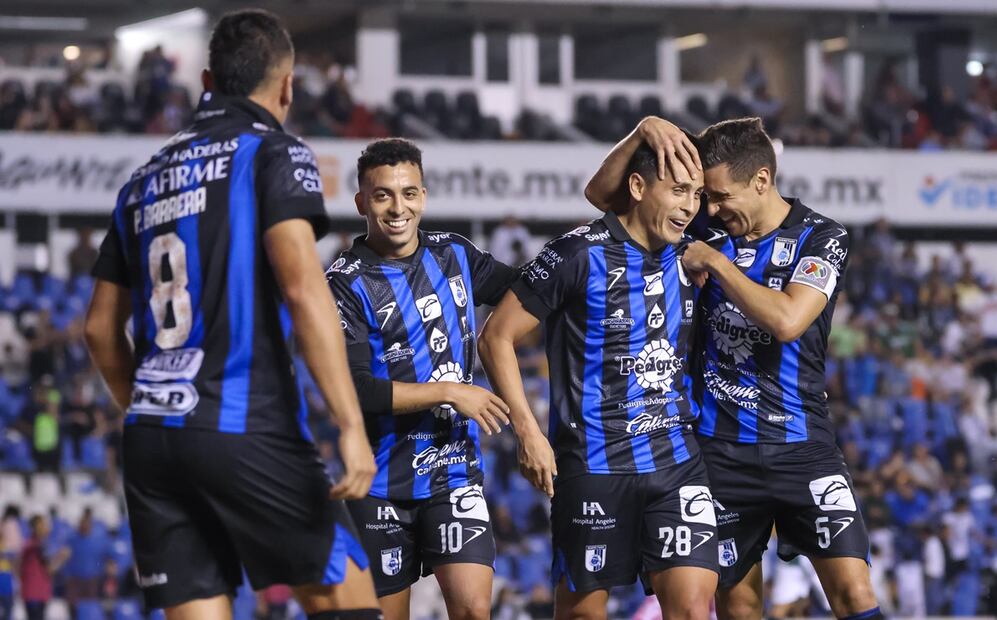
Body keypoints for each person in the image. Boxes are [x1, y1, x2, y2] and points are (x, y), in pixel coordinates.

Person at [83, 10, 380, 619]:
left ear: (206, 80)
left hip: (152, 435)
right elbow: (303, 287)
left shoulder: (142, 180)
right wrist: (350, 425)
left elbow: (97, 328)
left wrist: (155, 409)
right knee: (348, 601)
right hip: (243, 424)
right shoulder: (273, 153)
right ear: (288, 86)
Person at [584, 116, 881, 620]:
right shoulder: (706, 224)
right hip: (718, 454)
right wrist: (642, 132)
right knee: (739, 606)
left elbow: (788, 320)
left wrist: (719, 264)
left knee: (854, 594)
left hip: (803, 449)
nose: (712, 210)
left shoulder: (821, 237)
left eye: (721, 197)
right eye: (706, 198)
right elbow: (602, 196)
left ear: (762, 180)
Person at [479, 134, 718, 619]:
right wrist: (528, 432)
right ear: (636, 186)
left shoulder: (692, 254)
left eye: (696, 194)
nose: (689, 206)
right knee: (582, 614)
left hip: (677, 463)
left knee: (694, 610)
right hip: (593, 465)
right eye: (677, 191)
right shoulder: (576, 253)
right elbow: (495, 337)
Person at [327, 138, 515, 620]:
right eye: (383, 195)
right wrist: (451, 391)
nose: (398, 207)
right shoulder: (343, 283)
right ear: (361, 202)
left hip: (453, 474)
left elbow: (529, 288)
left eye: (409, 193)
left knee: (475, 611)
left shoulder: (455, 254)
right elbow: (356, 389)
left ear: (424, 197)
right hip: (379, 484)